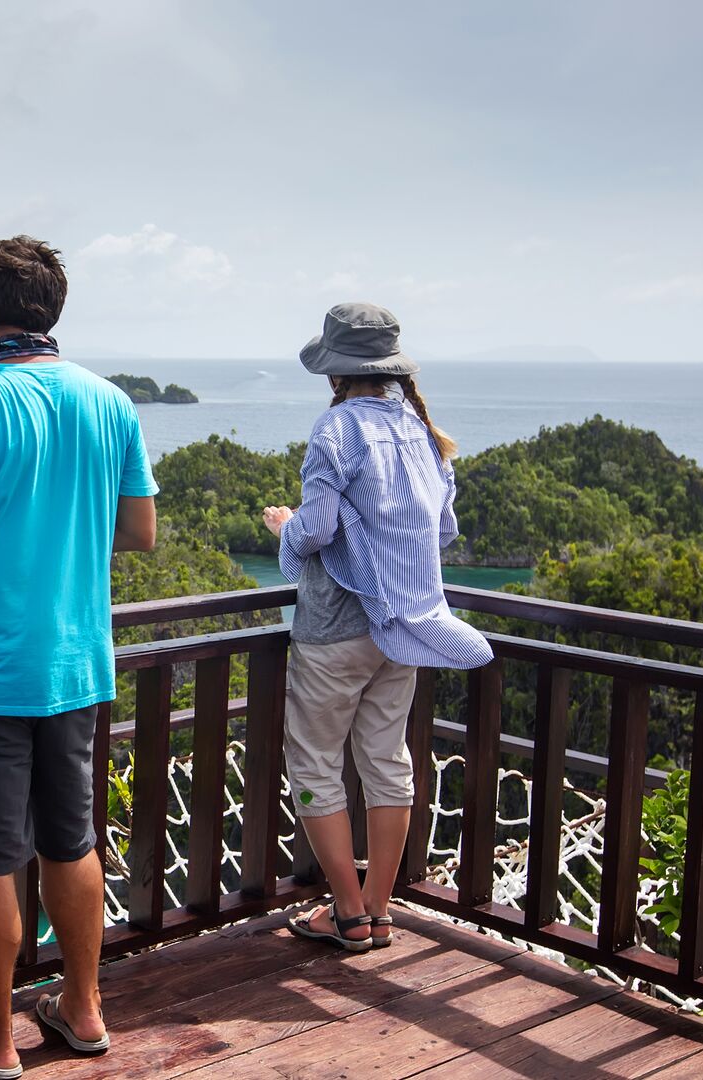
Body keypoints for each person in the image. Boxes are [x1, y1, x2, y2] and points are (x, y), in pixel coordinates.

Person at [0, 236, 158, 1078]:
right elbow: (140, 533)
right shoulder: (111, 403)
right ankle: (83, 1011)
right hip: (77, 667)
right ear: (51, 311)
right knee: (71, 843)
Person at [262, 302, 494, 952]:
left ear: (335, 370)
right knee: (387, 760)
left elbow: (318, 527)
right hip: (405, 624)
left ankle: (346, 912)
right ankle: (379, 910)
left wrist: (285, 531)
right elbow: (442, 529)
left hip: (335, 627)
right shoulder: (420, 431)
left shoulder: (336, 429)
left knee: (315, 763)